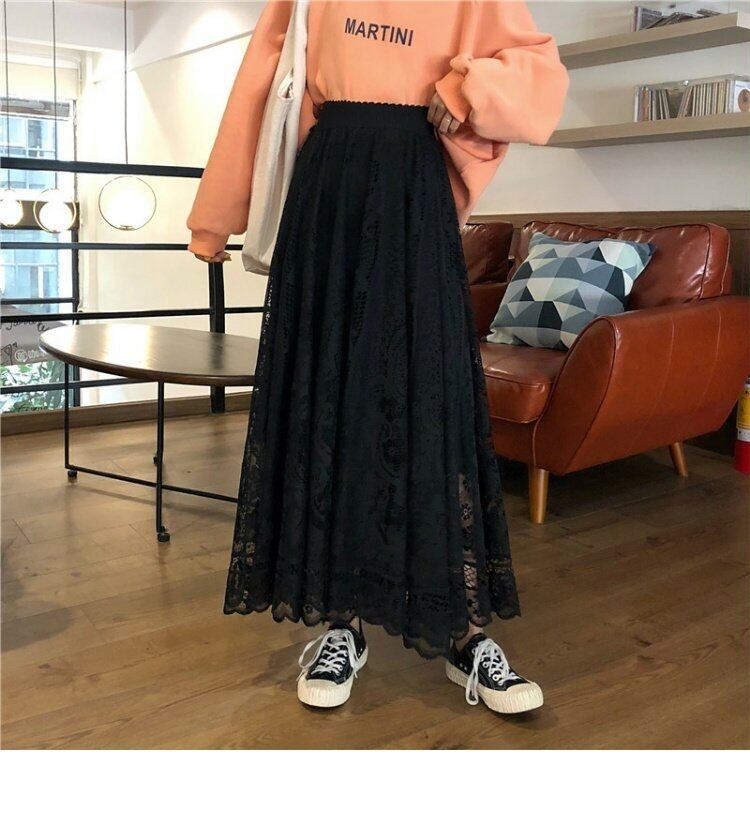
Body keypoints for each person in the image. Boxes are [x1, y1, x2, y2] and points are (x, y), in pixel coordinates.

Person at [187, 0, 568, 714]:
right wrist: (215, 218)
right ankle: (342, 622)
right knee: (332, 404)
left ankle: (462, 631)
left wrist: (467, 88)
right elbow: (260, 81)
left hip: (413, 189)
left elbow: (541, 76)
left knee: (431, 400)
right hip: (326, 193)